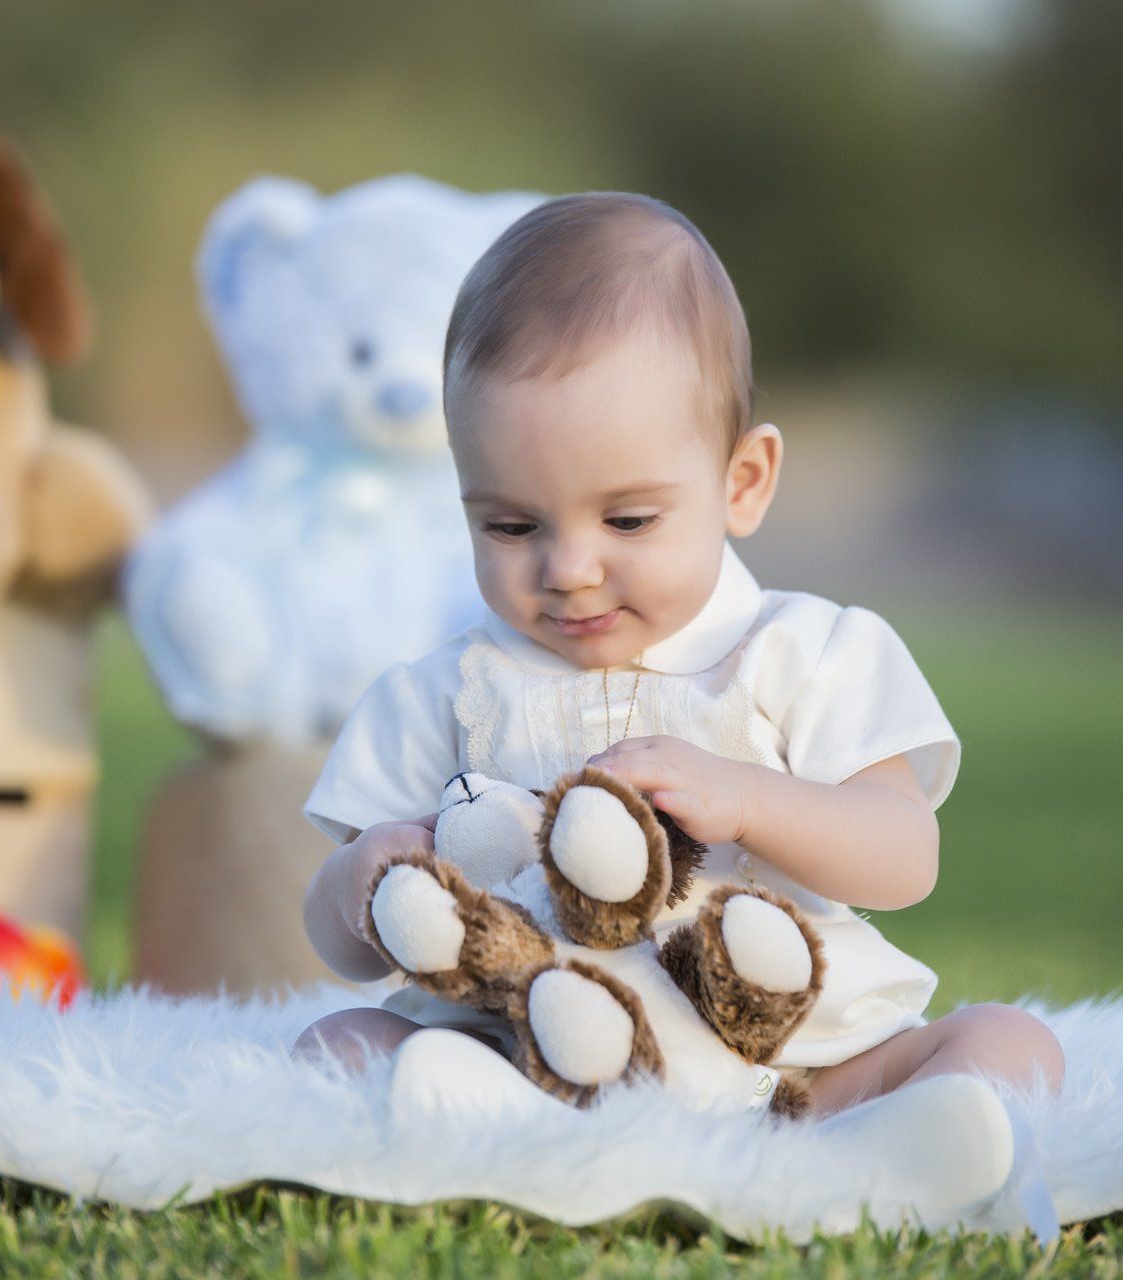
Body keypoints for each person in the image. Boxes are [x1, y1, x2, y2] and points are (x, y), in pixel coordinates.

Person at [293, 192, 1063, 1217]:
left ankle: (895, 1148)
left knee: (1013, 1042)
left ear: (742, 481)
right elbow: (336, 941)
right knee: (337, 1043)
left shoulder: (806, 651)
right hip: (536, 1053)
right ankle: (482, 1119)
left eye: (628, 517)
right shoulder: (445, 693)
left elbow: (904, 850)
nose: (568, 569)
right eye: (512, 523)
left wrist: (746, 798)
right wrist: (368, 873)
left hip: (796, 1066)